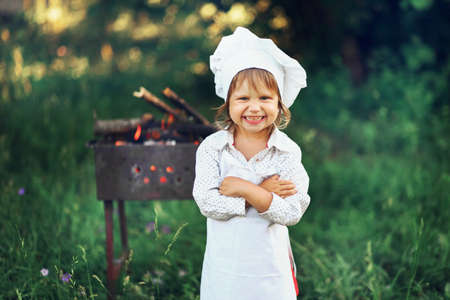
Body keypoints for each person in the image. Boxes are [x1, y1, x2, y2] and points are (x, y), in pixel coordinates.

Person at [192, 26, 311, 300]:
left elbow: (292, 211)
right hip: (226, 268)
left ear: (279, 103)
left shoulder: (286, 152)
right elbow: (207, 203)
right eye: (243, 98)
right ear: (228, 102)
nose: (254, 108)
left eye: (265, 98)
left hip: (269, 268)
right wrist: (265, 194)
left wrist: (246, 190)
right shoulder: (213, 148)